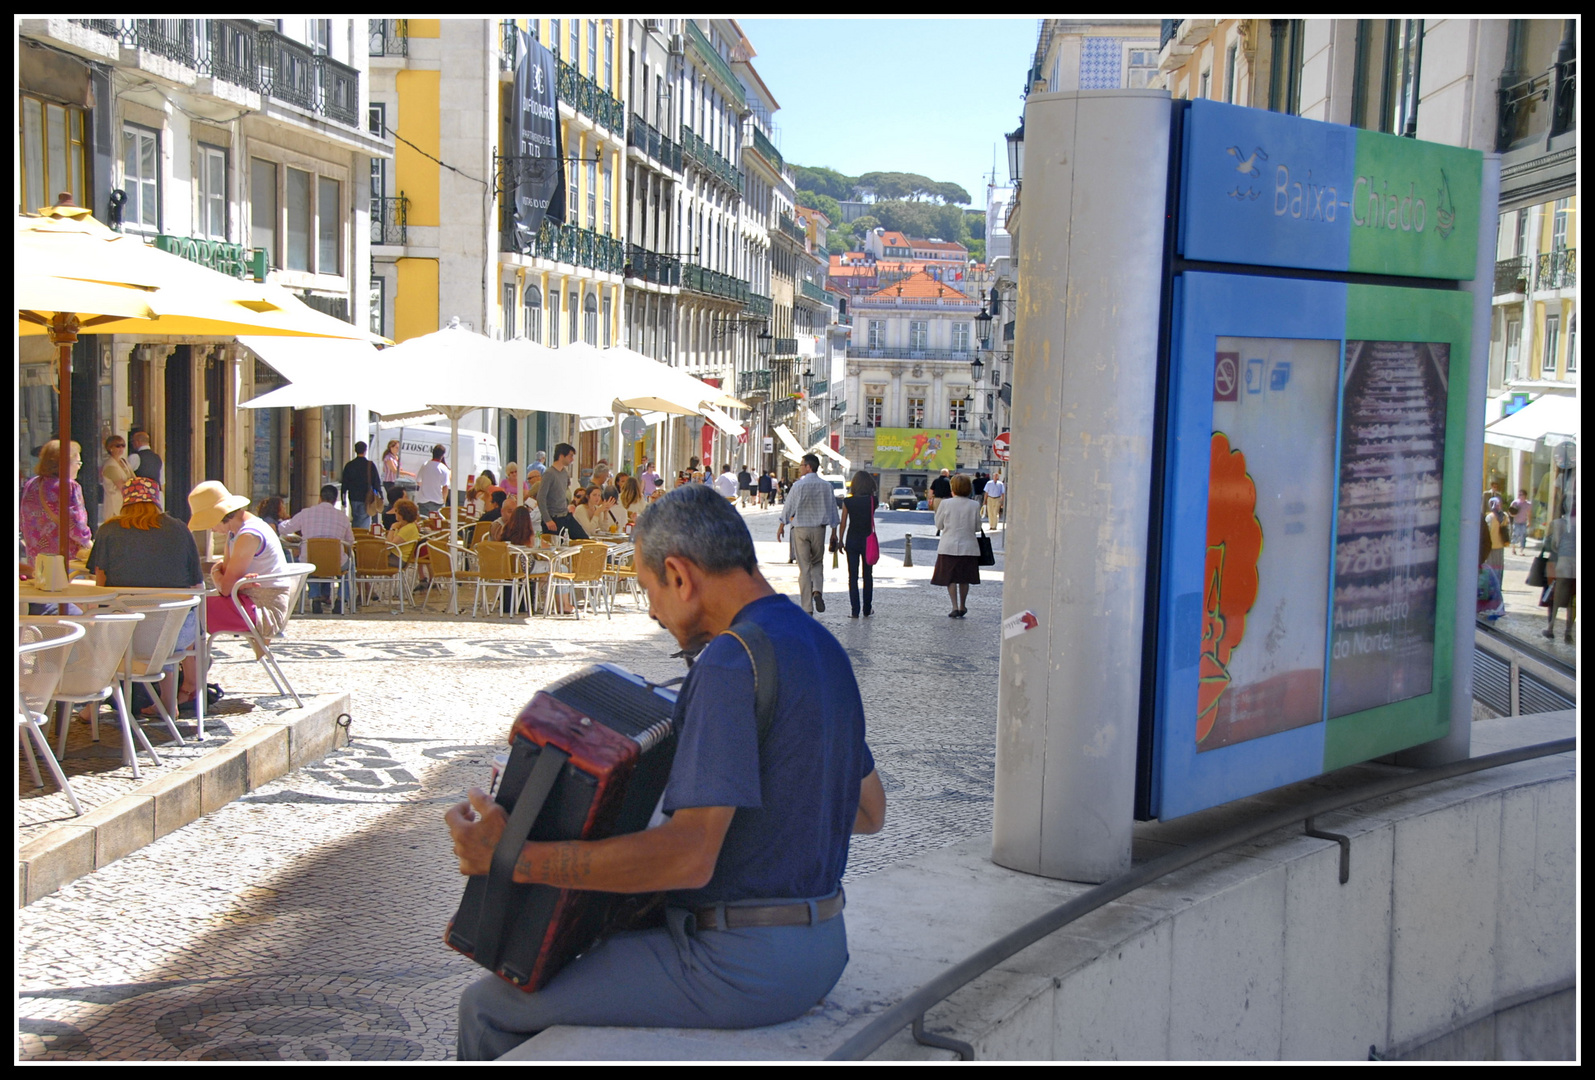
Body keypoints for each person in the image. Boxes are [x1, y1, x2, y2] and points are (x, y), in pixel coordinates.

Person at [449, 482, 885, 1059]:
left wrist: (515, 861)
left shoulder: (732, 659)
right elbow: (868, 811)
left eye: (647, 589)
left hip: (739, 968)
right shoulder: (821, 645)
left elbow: (688, 856)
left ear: (678, 575)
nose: (653, 611)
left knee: (486, 1009)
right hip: (824, 948)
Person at [86, 476, 204, 711]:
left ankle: (93, 705)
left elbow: (101, 587)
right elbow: (196, 584)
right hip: (172, 637)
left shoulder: (109, 530)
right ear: (156, 499)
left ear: (125, 500)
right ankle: (169, 700)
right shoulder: (179, 529)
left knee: (100, 625)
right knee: (167, 618)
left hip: (124, 635)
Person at [188, 480, 293, 649]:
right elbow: (227, 577)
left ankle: (191, 670)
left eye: (209, 523)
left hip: (263, 612)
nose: (211, 530)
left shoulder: (248, 535)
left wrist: (215, 571)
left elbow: (225, 588)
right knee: (190, 609)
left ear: (219, 515)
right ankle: (193, 667)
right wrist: (228, 577)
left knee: (188, 612)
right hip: (247, 603)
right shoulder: (236, 532)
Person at [776, 454, 840, 615]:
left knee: (804, 568)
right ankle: (817, 590)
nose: (800, 467)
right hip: (819, 529)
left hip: (801, 530)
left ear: (809, 467)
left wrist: (782, 525)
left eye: (802, 464)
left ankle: (807, 608)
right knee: (817, 563)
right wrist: (834, 532)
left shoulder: (798, 486)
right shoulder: (826, 486)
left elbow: (788, 507)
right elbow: (833, 510)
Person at [280, 483, 356, 613]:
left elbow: (284, 528)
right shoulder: (343, 518)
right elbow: (350, 541)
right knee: (350, 567)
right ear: (334, 500)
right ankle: (341, 599)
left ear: (320, 498)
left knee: (306, 563)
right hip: (335, 563)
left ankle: (315, 598)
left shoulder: (306, 513)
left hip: (311, 560)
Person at [20, 439, 93, 564]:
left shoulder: (31, 484)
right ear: (65, 463)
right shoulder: (69, 486)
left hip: (36, 557)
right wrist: (87, 543)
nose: (79, 466)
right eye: (78, 462)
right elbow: (75, 523)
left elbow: (23, 518)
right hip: (64, 557)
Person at [932, 473, 982, 618]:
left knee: (951, 578)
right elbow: (977, 527)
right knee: (964, 578)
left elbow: (939, 525)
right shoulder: (974, 505)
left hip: (948, 545)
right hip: (969, 547)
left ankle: (954, 606)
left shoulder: (945, 503)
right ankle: (962, 605)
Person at [839, 470, 878, 619]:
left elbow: (843, 523)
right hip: (868, 540)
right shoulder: (873, 500)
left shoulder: (848, 501)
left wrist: (840, 540)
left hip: (852, 540)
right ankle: (867, 609)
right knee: (868, 575)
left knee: (852, 576)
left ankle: (855, 610)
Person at [539, 442, 587, 539]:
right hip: (553, 517)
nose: (572, 459)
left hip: (565, 515)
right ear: (561, 456)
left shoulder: (564, 473)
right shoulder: (549, 474)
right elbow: (541, 497)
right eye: (570, 456)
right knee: (557, 547)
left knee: (583, 539)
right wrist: (547, 519)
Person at [1542, 510, 1576, 643]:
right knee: (1573, 600)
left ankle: (1551, 628)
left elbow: (1553, 546)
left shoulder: (1558, 524)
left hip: (1563, 561)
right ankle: (1568, 632)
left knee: (1558, 596)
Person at [341, 441, 383, 529]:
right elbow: (376, 482)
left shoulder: (349, 465)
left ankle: (355, 535)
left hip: (353, 497)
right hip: (366, 497)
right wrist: (380, 494)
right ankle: (361, 538)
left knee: (356, 518)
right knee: (364, 520)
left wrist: (343, 498)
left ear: (355, 450)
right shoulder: (370, 465)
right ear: (365, 450)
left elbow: (344, 483)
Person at [100, 433, 135, 524]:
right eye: (117, 446)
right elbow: (121, 486)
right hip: (114, 506)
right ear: (110, 448)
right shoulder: (110, 466)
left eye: (123, 445)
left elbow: (134, 479)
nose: (121, 448)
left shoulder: (124, 462)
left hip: (125, 505)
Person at [128, 428, 165, 507]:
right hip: (157, 495)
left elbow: (127, 477)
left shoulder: (135, 457)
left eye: (133, 442)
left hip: (140, 496)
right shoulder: (158, 458)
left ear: (137, 442)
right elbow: (162, 482)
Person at [417, 445, 450, 516]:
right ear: (442, 455)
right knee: (437, 524)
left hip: (423, 500)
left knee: (424, 523)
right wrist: (444, 500)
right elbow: (445, 487)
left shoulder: (425, 465)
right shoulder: (444, 469)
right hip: (437, 501)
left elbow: (418, 481)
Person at [381, 439, 415, 504]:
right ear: (391, 447)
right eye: (396, 448)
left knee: (397, 500)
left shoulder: (395, 457)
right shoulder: (389, 458)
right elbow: (394, 470)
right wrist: (409, 473)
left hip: (395, 481)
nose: (397, 449)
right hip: (389, 481)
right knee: (393, 500)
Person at [1483, 498, 1509, 575]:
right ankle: (1498, 583)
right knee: (1499, 566)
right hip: (1501, 544)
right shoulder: (1504, 516)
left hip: (1491, 545)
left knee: (1490, 566)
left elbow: (1487, 531)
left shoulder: (1489, 517)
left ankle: (1491, 584)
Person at [1509, 488, 1532, 555]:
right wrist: (1512, 515)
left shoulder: (1528, 504)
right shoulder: (1515, 502)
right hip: (1516, 522)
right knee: (1515, 535)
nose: (1520, 496)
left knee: (1523, 536)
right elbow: (1510, 512)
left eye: (1521, 495)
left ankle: (1521, 550)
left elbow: (1529, 513)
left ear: (1525, 495)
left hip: (1523, 522)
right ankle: (1513, 549)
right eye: (1519, 494)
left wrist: (1529, 521)